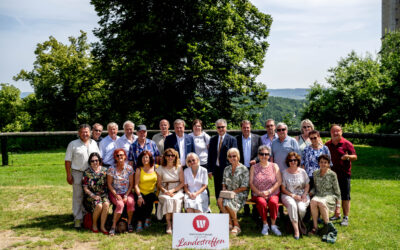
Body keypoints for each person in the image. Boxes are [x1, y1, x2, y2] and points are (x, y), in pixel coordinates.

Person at [65, 124, 100, 228]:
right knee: (78, 196)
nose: (85, 134)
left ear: (90, 132)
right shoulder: (73, 144)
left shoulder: (93, 143)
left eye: (87, 132)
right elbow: (67, 161)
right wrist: (68, 174)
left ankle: (87, 217)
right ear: (79, 133)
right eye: (83, 132)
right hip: (78, 172)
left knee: (89, 196)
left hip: (91, 173)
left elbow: (98, 158)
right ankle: (77, 219)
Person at [325, 124, 357, 226]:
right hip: (331, 175)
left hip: (344, 174)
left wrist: (347, 157)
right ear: (330, 133)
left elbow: (355, 157)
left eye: (338, 131)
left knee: (345, 196)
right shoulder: (327, 145)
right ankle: (336, 214)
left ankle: (345, 217)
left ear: (341, 132)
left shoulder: (347, 143)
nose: (335, 133)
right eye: (333, 131)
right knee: (334, 195)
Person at [249, 145, 282, 236]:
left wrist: (269, 191)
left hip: (273, 192)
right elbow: (251, 183)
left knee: (273, 202)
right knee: (262, 202)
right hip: (258, 193)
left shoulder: (274, 166)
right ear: (258, 155)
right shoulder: (254, 167)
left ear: (269, 155)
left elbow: (279, 181)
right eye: (261, 154)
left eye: (266, 154)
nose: (264, 156)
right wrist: (260, 193)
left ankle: (273, 225)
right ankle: (265, 224)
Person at [217, 148, 249, 236]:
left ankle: (236, 225)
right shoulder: (227, 169)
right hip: (229, 193)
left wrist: (233, 192)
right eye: (230, 156)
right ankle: (229, 223)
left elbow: (245, 186)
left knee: (227, 202)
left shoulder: (244, 169)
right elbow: (223, 182)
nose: (232, 158)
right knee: (220, 200)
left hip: (240, 193)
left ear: (238, 157)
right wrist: (224, 190)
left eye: (234, 156)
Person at [309, 154, 341, 235]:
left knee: (321, 203)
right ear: (318, 163)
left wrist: (338, 207)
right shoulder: (315, 173)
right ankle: (315, 227)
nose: (323, 164)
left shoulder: (332, 174)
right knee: (313, 201)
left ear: (328, 164)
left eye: (325, 162)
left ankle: (327, 226)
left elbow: (337, 191)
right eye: (321, 162)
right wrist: (311, 192)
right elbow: (315, 187)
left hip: (329, 196)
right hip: (318, 194)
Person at [281, 152, 310, 240]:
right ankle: (297, 230)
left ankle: (290, 223)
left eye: (294, 160)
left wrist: (304, 194)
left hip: (302, 194)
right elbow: (283, 189)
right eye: (290, 160)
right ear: (288, 161)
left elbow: (307, 184)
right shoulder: (284, 173)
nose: (292, 162)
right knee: (292, 205)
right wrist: (293, 195)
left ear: (298, 161)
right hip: (288, 194)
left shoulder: (303, 171)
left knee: (301, 208)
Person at [207, 119, 238, 200]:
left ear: (226, 127)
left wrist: (233, 169)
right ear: (216, 128)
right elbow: (210, 155)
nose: (221, 129)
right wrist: (209, 170)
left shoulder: (232, 139)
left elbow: (235, 157)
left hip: (228, 170)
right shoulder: (213, 139)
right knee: (217, 190)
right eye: (218, 127)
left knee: (227, 190)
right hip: (216, 169)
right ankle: (220, 208)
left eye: (222, 127)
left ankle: (227, 209)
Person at [156, 148, 184, 234]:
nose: (170, 157)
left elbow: (182, 183)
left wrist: (173, 190)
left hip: (177, 189)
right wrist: (166, 191)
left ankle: (175, 223)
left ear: (176, 157)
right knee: (168, 200)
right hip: (165, 190)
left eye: (172, 155)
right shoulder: (160, 168)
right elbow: (159, 184)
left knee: (175, 200)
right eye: (168, 155)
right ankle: (168, 224)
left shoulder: (179, 167)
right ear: (165, 157)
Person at [107, 149, 135, 235]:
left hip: (127, 192)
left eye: (121, 155)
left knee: (130, 202)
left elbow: (131, 184)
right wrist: (116, 194)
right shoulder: (111, 169)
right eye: (118, 155)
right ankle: (113, 226)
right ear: (115, 157)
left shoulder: (129, 168)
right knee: (120, 204)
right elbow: (109, 184)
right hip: (115, 192)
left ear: (125, 156)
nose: (120, 157)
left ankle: (129, 223)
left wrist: (126, 195)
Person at [82, 152, 110, 234]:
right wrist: (93, 195)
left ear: (99, 161)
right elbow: (85, 188)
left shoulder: (105, 171)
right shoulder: (87, 172)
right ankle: (94, 224)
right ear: (90, 162)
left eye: (96, 160)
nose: (95, 162)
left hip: (103, 194)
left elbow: (109, 183)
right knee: (99, 205)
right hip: (91, 195)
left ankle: (102, 226)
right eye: (92, 161)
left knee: (106, 204)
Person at [134, 150, 158, 232]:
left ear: (150, 158)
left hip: (151, 193)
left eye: (146, 157)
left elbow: (160, 182)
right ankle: (139, 222)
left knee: (150, 199)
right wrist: (139, 196)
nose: (145, 159)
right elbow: (136, 185)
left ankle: (148, 218)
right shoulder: (139, 169)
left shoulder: (156, 167)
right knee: (141, 202)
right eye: (143, 157)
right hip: (141, 192)